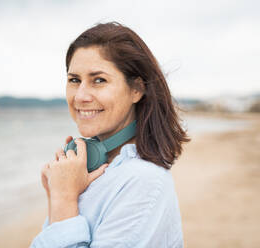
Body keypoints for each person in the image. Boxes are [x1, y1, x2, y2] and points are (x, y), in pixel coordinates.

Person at [30, 21, 190, 248]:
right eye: (74, 80)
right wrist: (58, 193)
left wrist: (63, 200)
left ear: (137, 89)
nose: (80, 96)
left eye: (99, 80)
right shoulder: (97, 170)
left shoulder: (143, 182)